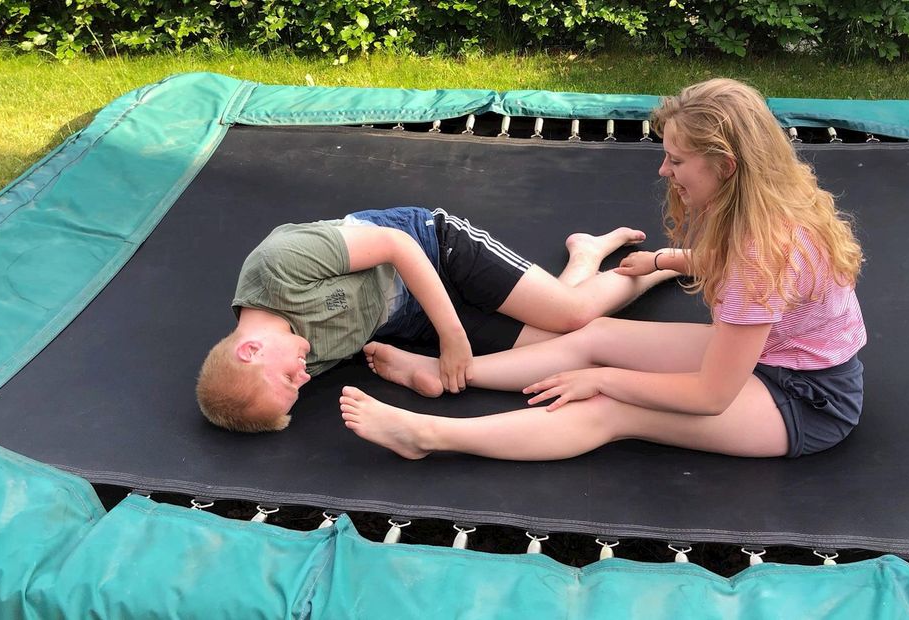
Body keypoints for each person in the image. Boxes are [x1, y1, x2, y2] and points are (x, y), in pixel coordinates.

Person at [340, 78, 867, 460]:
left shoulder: (761, 253)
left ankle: (426, 436)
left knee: (611, 408)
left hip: (805, 400)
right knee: (598, 331)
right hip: (772, 354)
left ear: (725, 166)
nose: (665, 170)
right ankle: (453, 372)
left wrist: (603, 381)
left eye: (677, 161)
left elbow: (711, 396)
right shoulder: (772, 203)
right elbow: (758, 277)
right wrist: (666, 259)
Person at [197, 206, 678, 432]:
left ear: (250, 349)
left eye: (289, 376)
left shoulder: (278, 264)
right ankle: (586, 255)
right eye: (300, 385)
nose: (305, 375)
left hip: (434, 250)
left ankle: (661, 265)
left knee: (574, 314)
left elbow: (396, 246)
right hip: (408, 315)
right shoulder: (290, 360)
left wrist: (453, 337)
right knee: (552, 348)